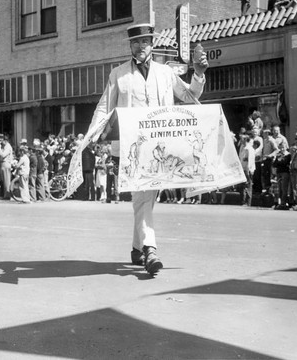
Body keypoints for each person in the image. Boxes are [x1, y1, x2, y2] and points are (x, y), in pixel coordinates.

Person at [85, 23, 209, 276]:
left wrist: (197, 74)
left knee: (144, 198)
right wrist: (91, 133)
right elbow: (104, 106)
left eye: (145, 42)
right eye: (135, 43)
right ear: (130, 45)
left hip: (159, 149)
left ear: (152, 44)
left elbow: (188, 97)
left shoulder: (165, 73)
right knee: (143, 196)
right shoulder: (118, 74)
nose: (140, 47)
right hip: (129, 149)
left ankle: (136, 246)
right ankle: (150, 249)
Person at [0, 134, 13, 200]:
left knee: (7, 181)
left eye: (2, 139)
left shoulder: (8, 147)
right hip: (3, 164)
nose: (1, 141)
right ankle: (5, 195)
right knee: (4, 181)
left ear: (5, 140)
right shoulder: (5, 146)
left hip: (6, 164)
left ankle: (7, 195)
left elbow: (3, 155)